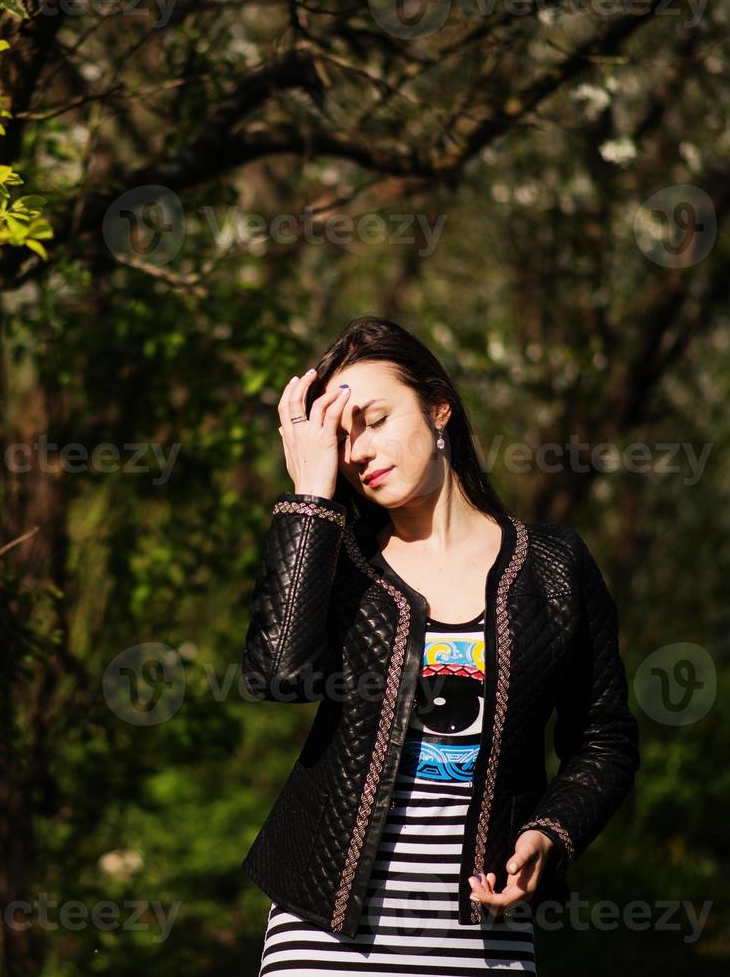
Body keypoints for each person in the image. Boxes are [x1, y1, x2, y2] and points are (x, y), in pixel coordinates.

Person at [244, 315, 641, 976]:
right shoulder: (339, 560)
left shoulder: (553, 567)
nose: (356, 452)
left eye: (373, 419)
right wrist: (310, 497)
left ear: (438, 407)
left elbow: (605, 738)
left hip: (481, 932)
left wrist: (552, 832)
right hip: (322, 931)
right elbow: (277, 677)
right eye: (339, 441)